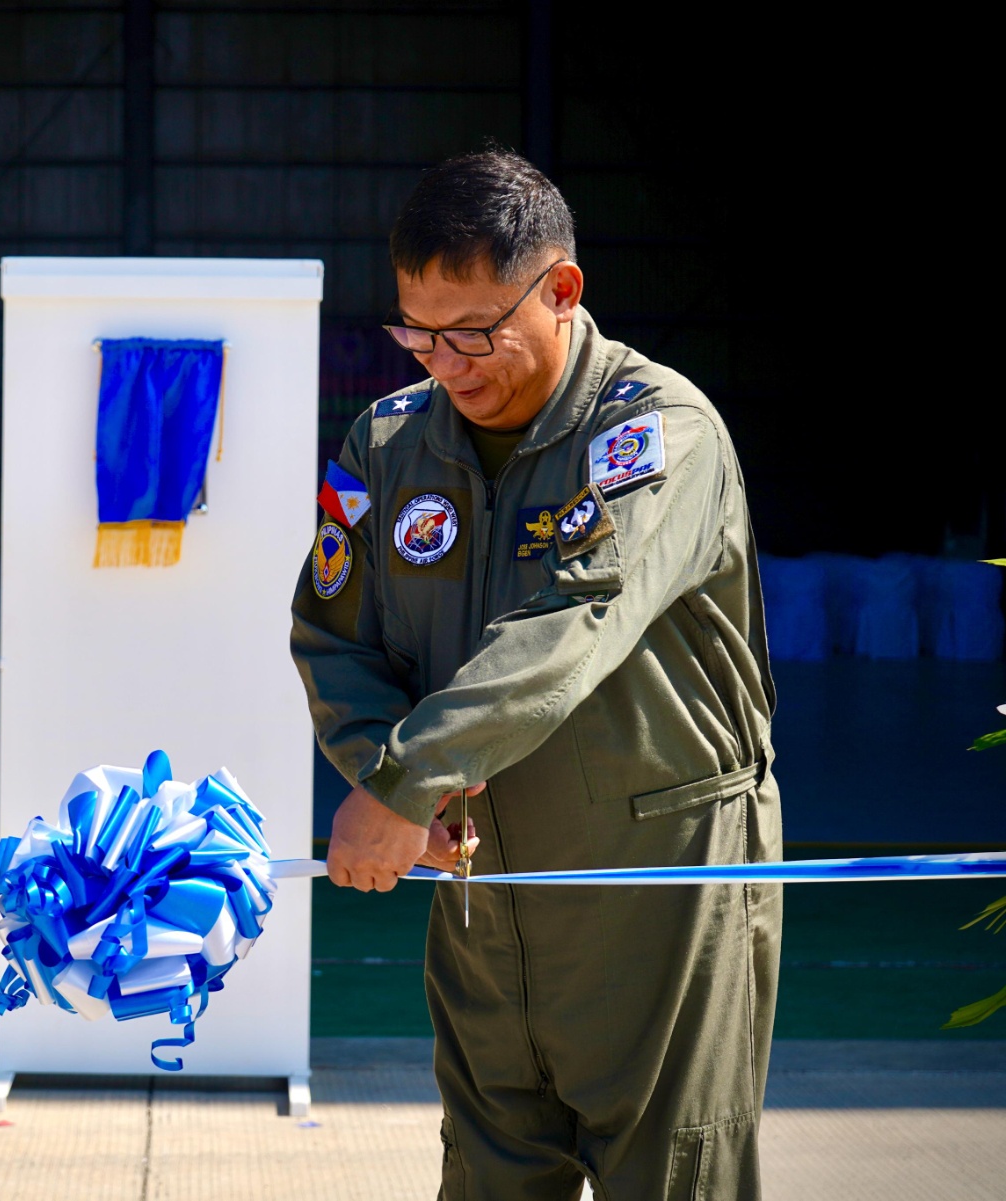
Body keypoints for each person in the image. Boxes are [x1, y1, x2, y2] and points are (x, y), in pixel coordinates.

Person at [291, 149, 781, 1199]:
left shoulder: (657, 437)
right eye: (417, 333)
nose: (445, 364)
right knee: (488, 1173)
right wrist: (392, 773)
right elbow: (336, 637)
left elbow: (574, 619)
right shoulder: (391, 444)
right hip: (477, 895)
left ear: (561, 291)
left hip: (654, 890)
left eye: (474, 333)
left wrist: (402, 781)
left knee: (674, 1173)